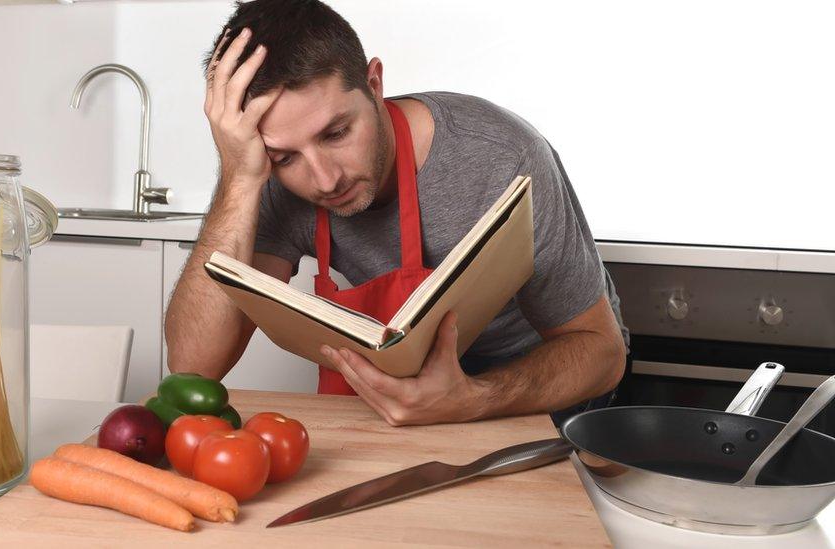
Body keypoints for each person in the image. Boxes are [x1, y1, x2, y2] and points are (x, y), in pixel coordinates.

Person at [165, 0, 629, 427]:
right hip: (397, 405)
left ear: (374, 84)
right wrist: (239, 179)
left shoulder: (501, 158)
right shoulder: (263, 174)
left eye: (337, 133)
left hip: (531, 394)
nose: (325, 180)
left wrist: (475, 397)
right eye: (286, 157)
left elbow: (602, 354)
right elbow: (193, 365)